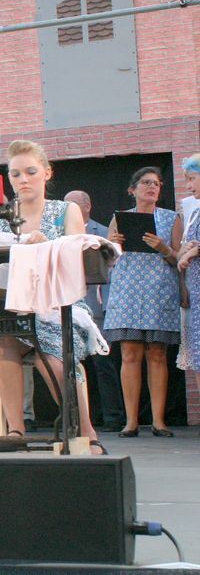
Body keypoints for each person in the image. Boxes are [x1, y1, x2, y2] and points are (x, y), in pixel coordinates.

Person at [0, 140, 102, 453]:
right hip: (17, 308)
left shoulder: (65, 211)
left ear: (47, 173)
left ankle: (86, 431)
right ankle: (16, 429)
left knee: (51, 356)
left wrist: (47, 247)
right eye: (15, 174)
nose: (23, 180)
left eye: (30, 172)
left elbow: (77, 255)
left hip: (59, 307)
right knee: (4, 339)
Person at [104, 167, 181, 438]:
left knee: (157, 353)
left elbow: (179, 259)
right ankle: (131, 421)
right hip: (127, 291)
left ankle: (158, 421)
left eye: (156, 184)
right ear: (132, 189)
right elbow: (107, 260)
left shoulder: (171, 218)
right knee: (129, 354)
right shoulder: (119, 218)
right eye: (146, 183)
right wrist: (111, 244)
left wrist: (164, 248)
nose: (152, 187)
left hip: (159, 291)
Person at [65, 190, 124, 432]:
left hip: (96, 306)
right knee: (73, 364)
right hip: (68, 305)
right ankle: (82, 418)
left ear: (87, 206)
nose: (68, 209)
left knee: (103, 363)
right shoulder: (59, 233)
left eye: (73, 204)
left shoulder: (103, 232)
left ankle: (112, 417)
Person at [177, 154, 200, 401]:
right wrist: (186, 250)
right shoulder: (195, 213)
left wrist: (194, 251)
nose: (188, 185)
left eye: (192, 179)